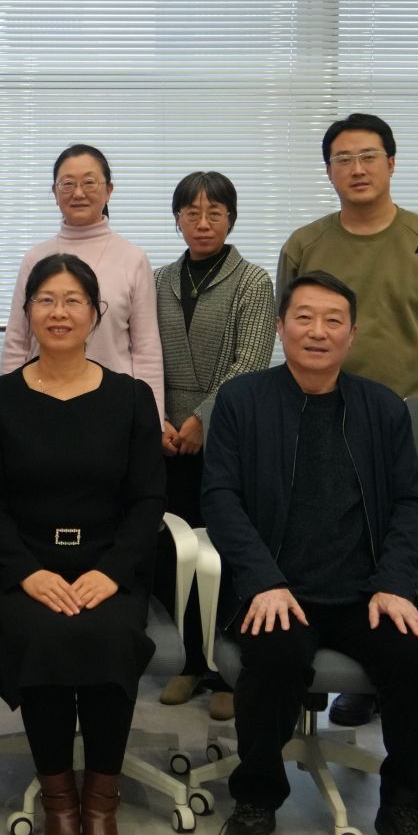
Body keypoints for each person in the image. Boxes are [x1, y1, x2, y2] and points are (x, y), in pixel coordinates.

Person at [201, 271, 418, 835]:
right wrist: (262, 580)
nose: (318, 331)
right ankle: (257, 800)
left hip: (366, 592)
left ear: (352, 333)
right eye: (304, 318)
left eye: (333, 320)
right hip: (276, 588)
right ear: (281, 327)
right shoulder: (241, 401)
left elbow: (410, 503)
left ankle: (407, 808)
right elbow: (220, 499)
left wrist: (395, 583)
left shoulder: (382, 408)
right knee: (276, 657)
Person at [0, 254, 165, 835]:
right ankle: (59, 804)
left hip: (108, 566)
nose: (58, 312)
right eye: (45, 300)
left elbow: (148, 500)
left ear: (96, 314)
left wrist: (113, 571)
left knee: (108, 633)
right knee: (44, 632)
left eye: (72, 300)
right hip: (26, 567)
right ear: (27, 313)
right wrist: (26, 572)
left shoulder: (131, 398)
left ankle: (100, 806)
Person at [276, 113, 418, 730]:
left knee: (414, 542)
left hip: (409, 416)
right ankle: (360, 676)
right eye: (343, 159)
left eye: (368, 156)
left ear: (391, 162)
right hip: (324, 417)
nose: (356, 169)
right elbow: (296, 326)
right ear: (328, 170)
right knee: (339, 543)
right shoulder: (306, 244)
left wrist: (411, 389)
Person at [152, 171, 275, 715]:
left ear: (231, 218)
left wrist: (202, 418)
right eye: (191, 213)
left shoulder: (253, 281)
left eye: (215, 213)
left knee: (227, 548)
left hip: (228, 432)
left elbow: (251, 362)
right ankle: (191, 660)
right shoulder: (157, 279)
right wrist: (160, 418)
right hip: (166, 436)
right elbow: (143, 353)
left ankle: (230, 668)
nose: (202, 223)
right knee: (174, 550)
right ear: (177, 218)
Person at [0, 144, 166, 422]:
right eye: (67, 184)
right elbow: (17, 341)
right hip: (40, 400)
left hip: (115, 406)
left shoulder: (133, 258)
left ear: (109, 190)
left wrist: (153, 419)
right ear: (55, 193)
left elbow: (146, 347)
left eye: (89, 182)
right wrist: (7, 408)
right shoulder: (35, 258)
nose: (78, 193)